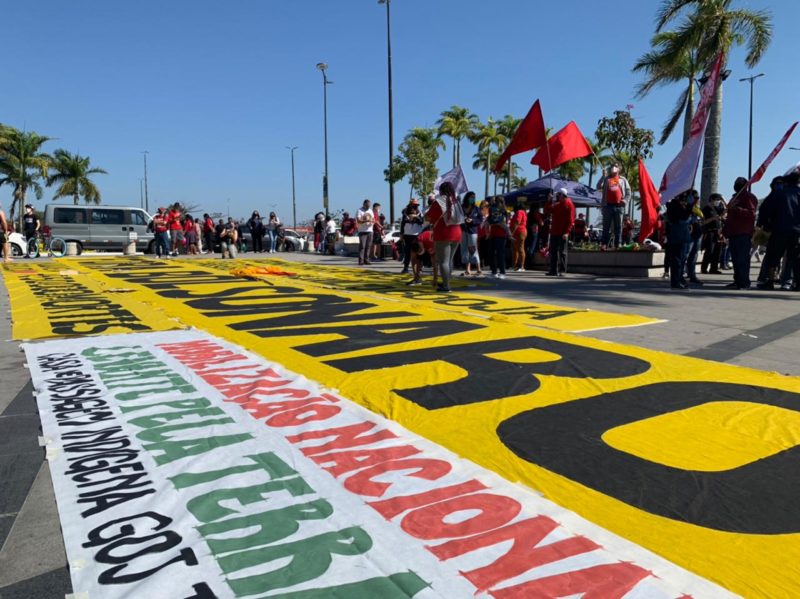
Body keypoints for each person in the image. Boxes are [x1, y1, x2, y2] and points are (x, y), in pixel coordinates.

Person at [757, 170, 800, 290]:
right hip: (797, 232)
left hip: (779, 230)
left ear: (786, 182)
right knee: (795, 258)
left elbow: (764, 210)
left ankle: (770, 281)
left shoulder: (778, 194)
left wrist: (765, 225)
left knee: (773, 257)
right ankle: (797, 282)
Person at [425, 182, 463, 292]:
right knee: (449, 260)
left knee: (443, 261)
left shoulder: (439, 201)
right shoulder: (455, 201)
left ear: (441, 190)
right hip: (457, 232)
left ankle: (446, 286)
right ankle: (447, 282)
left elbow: (429, 217)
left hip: (444, 232)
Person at [723, 177, 758, 289]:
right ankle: (737, 280)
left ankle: (744, 282)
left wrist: (737, 209)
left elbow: (751, 214)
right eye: (736, 183)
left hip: (743, 232)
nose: (737, 185)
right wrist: (725, 230)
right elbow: (729, 216)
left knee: (742, 259)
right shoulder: (734, 198)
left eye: (739, 183)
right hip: (733, 232)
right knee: (735, 259)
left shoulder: (749, 197)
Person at [665, 190, 693, 289]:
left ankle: (679, 279)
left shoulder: (676, 204)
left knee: (681, 259)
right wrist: (689, 206)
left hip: (681, 235)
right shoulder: (674, 205)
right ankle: (676, 282)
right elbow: (683, 216)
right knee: (677, 259)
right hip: (678, 235)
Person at [599, 165, 631, 249]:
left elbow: (628, 192)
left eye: (616, 166)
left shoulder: (623, 180)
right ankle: (604, 244)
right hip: (607, 206)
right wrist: (603, 176)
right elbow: (598, 186)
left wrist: (624, 201)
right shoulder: (606, 179)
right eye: (612, 166)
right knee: (606, 226)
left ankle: (618, 244)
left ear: (619, 169)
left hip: (619, 206)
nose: (614, 168)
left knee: (618, 226)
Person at [545, 188, 575, 276]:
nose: (557, 196)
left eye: (558, 194)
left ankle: (562, 270)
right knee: (553, 251)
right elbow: (547, 210)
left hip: (562, 232)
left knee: (562, 252)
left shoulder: (569, 204)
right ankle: (553, 270)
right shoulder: (558, 204)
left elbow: (571, 219)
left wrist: (567, 232)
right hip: (555, 231)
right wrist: (549, 201)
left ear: (562, 195)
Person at [701, 194, 726, 274]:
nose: (718, 202)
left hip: (717, 232)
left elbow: (724, 211)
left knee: (717, 251)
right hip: (710, 231)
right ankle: (704, 268)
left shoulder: (716, 208)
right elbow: (704, 221)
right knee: (709, 251)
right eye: (717, 200)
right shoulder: (706, 209)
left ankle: (713, 268)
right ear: (712, 199)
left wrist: (723, 201)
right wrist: (713, 218)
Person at [486, 195, 509, 279]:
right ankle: (494, 271)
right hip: (493, 233)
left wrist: (493, 221)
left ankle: (502, 272)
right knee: (491, 253)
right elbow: (490, 220)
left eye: (497, 201)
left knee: (500, 254)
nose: (496, 202)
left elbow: (500, 221)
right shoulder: (492, 209)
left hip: (501, 234)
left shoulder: (504, 211)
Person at [684, 192, 704, 285]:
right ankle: (681, 275)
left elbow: (701, 220)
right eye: (695, 197)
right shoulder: (687, 207)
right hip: (689, 235)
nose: (697, 199)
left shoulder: (697, 209)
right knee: (686, 255)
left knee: (694, 256)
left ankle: (692, 275)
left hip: (698, 234)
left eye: (697, 197)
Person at [460, 192, 482, 276]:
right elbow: (458, 218)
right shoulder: (461, 207)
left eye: (474, 197)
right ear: (467, 197)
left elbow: (480, 219)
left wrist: (472, 220)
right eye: (471, 197)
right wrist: (463, 220)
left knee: (473, 249)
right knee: (464, 249)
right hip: (463, 230)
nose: (472, 199)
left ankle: (478, 269)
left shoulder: (476, 208)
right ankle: (467, 269)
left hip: (473, 231)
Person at [400, 199, 424, 274]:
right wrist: (401, 234)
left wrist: (415, 218)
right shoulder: (405, 213)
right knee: (407, 252)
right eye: (414, 205)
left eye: (416, 205)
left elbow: (421, 222)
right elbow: (402, 224)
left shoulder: (419, 213)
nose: (415, 207)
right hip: (407, 235)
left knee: (418, 252)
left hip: (417, 235)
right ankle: (406, 267)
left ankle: (419, 267)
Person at [509, 201, 527, 272]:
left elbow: (517, 222)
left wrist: (512, 232)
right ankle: (515, 265)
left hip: (519, 232)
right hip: (519, 232)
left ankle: (521, 266)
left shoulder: (519, 212)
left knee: (520, 248)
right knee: (514, 249)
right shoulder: (523, 212)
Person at [356, 199, 374, 265]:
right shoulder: (359, 210)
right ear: (364, 204)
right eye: (367, 205)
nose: (368, 207)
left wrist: (372, 222)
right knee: (362, 246)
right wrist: (365, 221)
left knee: (368, 246)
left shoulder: (370, 211)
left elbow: (373, 219)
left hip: (370, 230)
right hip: (362, 231)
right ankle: (361, 261)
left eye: (369, 206)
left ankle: (367, 260)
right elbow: (358, 220)